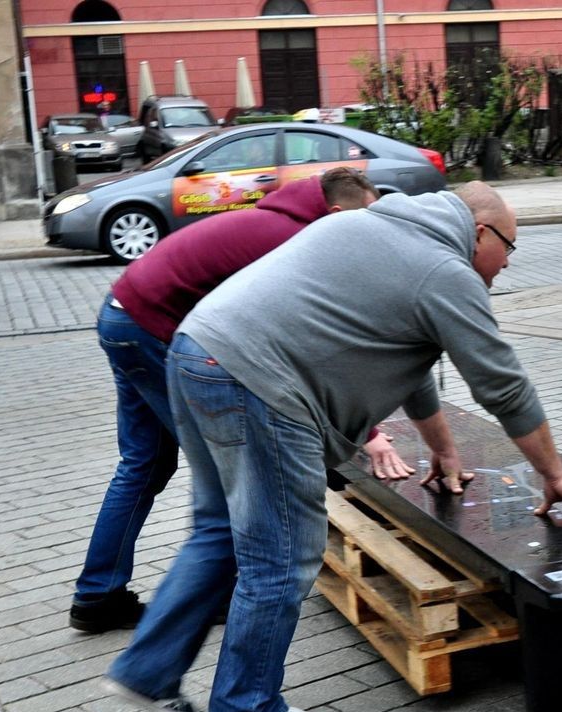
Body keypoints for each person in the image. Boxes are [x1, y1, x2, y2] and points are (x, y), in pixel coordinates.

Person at [103, 181, 562, 712]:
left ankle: (146, 671)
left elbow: (411, 363)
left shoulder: (370, 228)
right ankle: (245, 709)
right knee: (282, 552)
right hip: (260, 386)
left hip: (196, 352)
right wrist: (555, 475)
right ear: (479, 233)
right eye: (510, 247)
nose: (508, 264)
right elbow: (504, 387)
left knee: (221, 529)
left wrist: (443, 449)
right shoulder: (445, 272)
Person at [70, 168, 413, 634]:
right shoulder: (293, 240)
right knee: (228, 468)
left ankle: (98, 596)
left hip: (123, 314)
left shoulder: (277, 220)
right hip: (152, 328)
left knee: (145, 464)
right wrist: (366, 433)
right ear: (335, 214)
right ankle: (209, 596)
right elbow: (300, 345)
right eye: (364, 221)